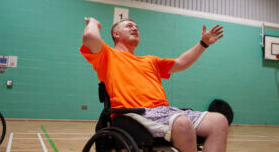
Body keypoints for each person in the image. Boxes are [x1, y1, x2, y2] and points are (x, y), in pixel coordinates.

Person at [80, 17, 228, 152]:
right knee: (182, 124)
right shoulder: (107, 56)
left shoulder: (150, 60)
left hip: (164, 111)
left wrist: (203, 44)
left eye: (137, 27)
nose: (135, 28)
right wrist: (92, 22)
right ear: (116, 34)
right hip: (135, 113)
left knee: (219, 121)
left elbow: (181, 63)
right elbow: (89, 37)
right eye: (129, 26)